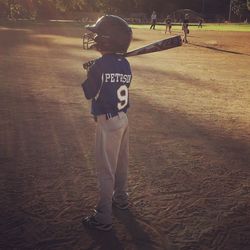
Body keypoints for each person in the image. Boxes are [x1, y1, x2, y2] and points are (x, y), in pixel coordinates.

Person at [81, 15, 133, 232]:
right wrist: (100, 67)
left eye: (98, 35)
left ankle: (103, 216)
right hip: (123, 119)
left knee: (106, 170)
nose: (94, 37)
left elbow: (88, 92)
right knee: (121, 163)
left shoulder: (98, 66)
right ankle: (120, 197)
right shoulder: (126, 63)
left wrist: (91, 71)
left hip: (107, 122)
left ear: (107, 40)